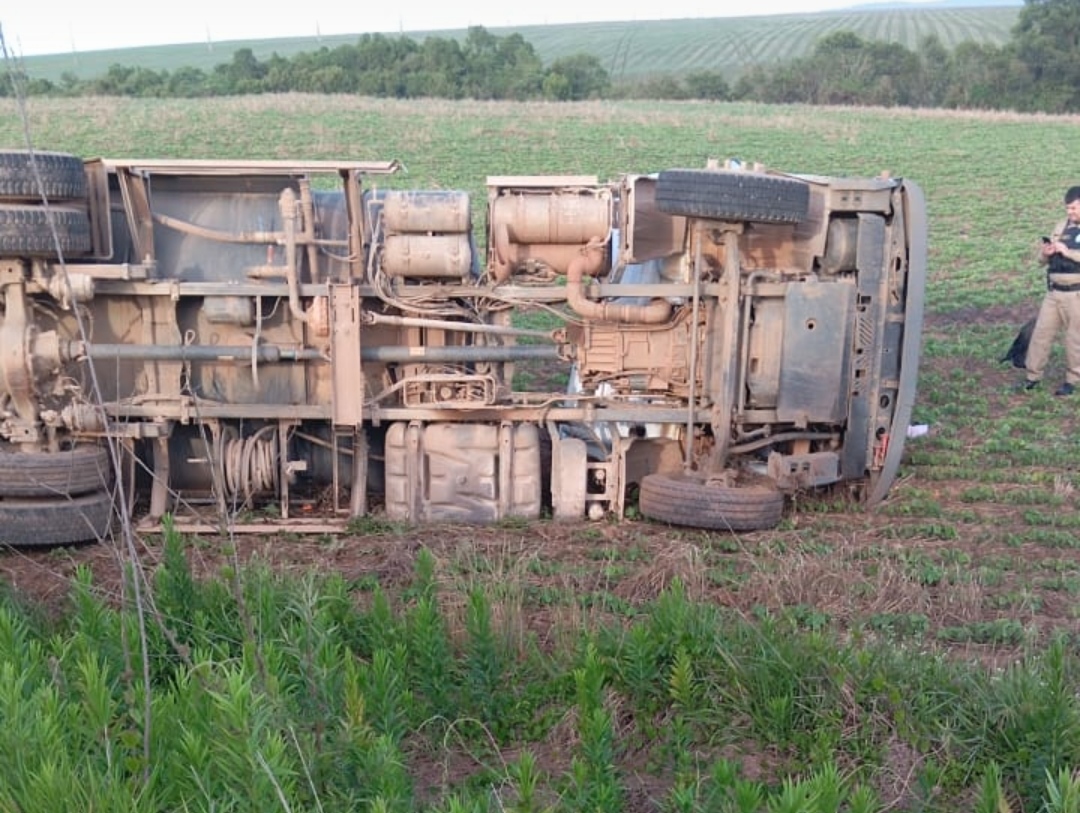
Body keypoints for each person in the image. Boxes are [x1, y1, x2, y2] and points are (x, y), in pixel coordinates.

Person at [1022, 186, 1080, 396]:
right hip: (1054, 292)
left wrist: (1069, 252)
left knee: (1075, 339)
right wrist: (1046, 253)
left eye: (1073, 208)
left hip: (1076, 294)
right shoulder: (1061, 226)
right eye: (1068, 208)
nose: (1070, 213)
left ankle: (1073, 380)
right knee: (1041, 334)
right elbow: (1041, 261)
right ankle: (1032, 376)